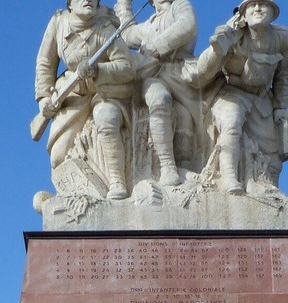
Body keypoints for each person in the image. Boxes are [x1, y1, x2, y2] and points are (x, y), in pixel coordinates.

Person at [187, 0, 288, 195]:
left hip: (261, 97)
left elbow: (284, 75)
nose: (258, 9)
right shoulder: (233, 33)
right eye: (252, 5)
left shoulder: (282, 38)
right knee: (231, 122)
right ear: (243, 13)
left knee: (271, 148)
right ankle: (228, 179)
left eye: (263, 4)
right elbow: (200, 74)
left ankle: (269, 189)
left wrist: (280, 107)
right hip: (231, 92)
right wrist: (218, 49)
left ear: (273, 12)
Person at [35, 0, 135, 199]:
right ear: (70, 4)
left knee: (106, 117)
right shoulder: (58, 23)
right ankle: (75, 195)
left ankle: (117, 181)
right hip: (72, 92)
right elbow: (45, 63)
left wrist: (99, 70)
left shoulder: (106, 27)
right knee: (58, 157)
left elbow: (127, 67)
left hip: (106, 90)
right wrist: (44, 98)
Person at [115, 0, 200, 186]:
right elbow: (128, 35)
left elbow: (187, 25)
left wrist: (156, 46)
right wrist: (124, 7)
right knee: (159, 98)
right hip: (153, 74)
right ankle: (167, 166)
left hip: (180, 74)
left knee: (194, 120)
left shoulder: (180, 5)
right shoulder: (149, 23)